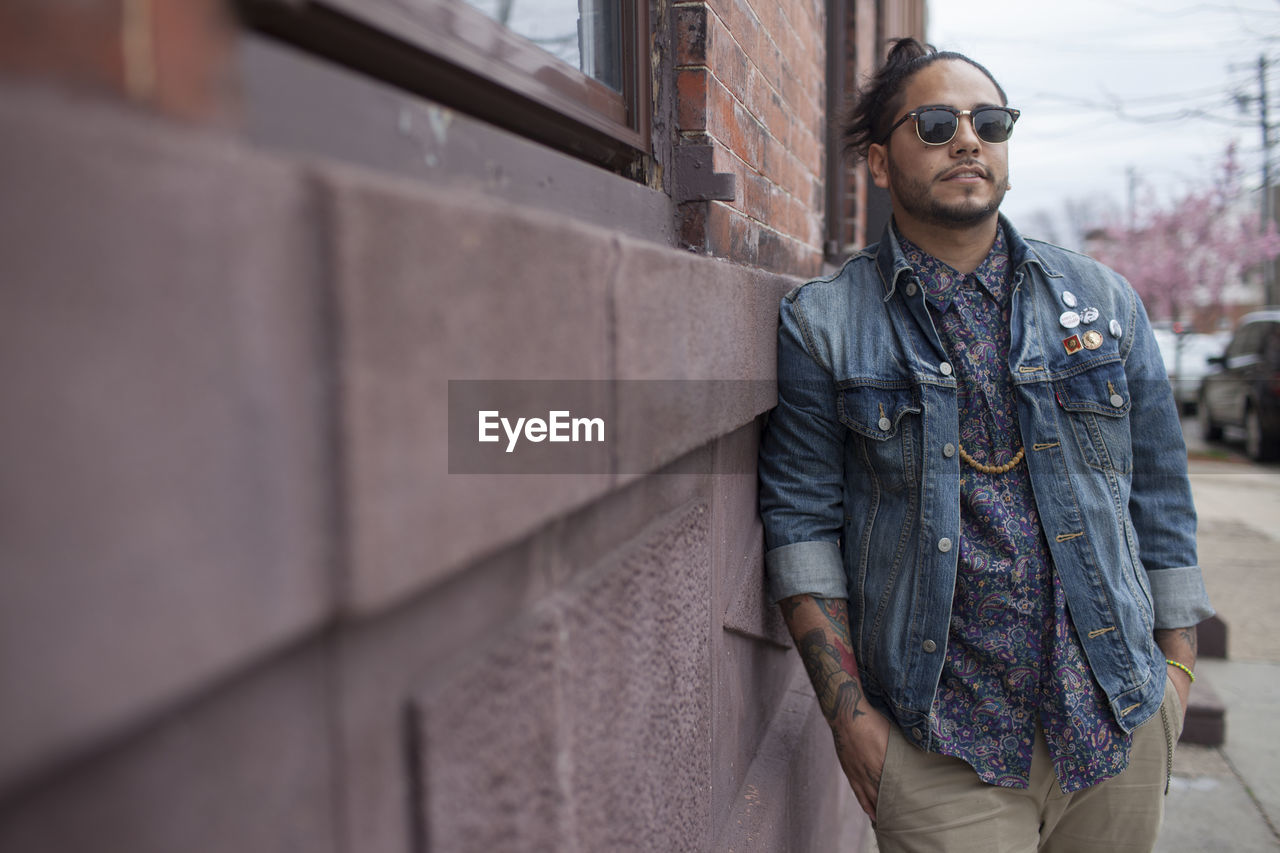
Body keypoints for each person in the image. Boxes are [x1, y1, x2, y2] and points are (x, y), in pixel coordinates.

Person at [757, 38, 1213, 853]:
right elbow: (801, 523)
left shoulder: (1104, 303)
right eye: (935, 124)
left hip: (1116, 719)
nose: (967, 139)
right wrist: (851, 719)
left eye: (989, 122)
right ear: (881, 163)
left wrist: (1176, 673)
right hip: (942, 745)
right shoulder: (825, 323)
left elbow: (1162, 499)